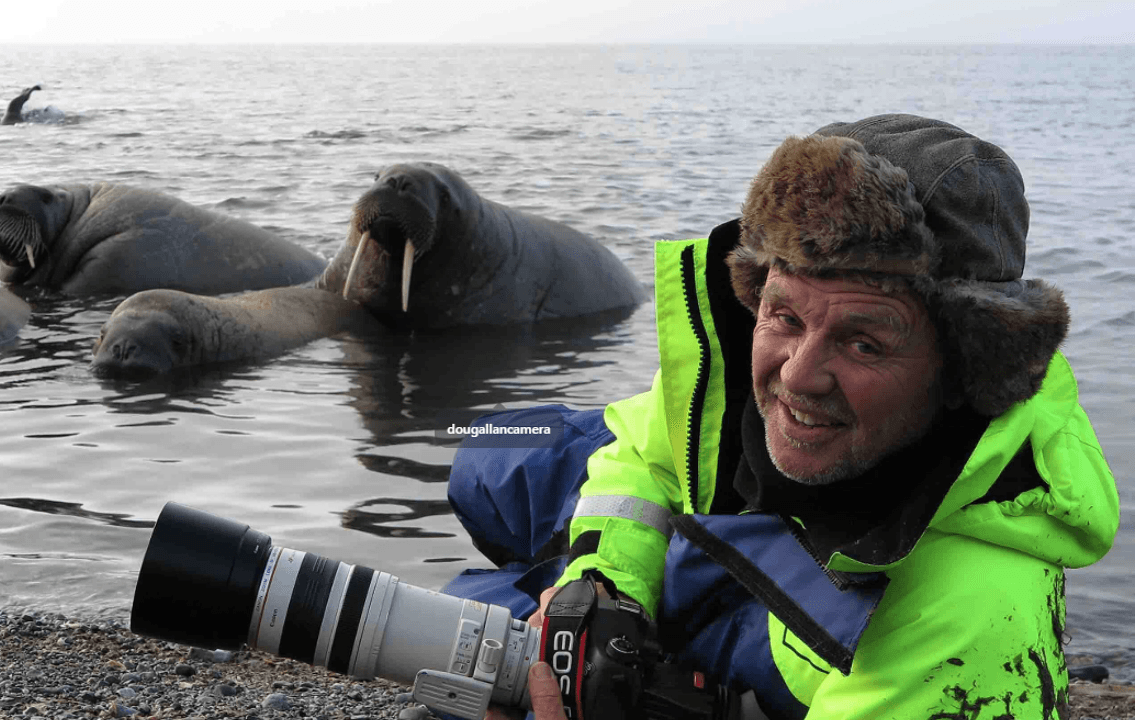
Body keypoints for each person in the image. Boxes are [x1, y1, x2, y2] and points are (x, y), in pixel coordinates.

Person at [447, 114, 1119, 720]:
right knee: (492, 453)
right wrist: (601, 582)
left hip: (810, 629)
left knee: (477, 619)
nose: (796, 375)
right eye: (784, 315)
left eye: (864, 342)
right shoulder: (749, 364)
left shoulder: (968, 626)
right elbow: (646, 452)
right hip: (754, 554)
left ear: (962, 371)